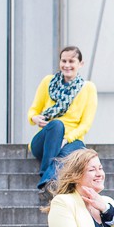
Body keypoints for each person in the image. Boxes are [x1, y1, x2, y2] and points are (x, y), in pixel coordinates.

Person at [28, 46, 97, 204]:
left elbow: (85, 124)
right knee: (57, 125)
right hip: (47, 140)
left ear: (80, 63)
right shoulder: (48, 82)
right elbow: (33, 110)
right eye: (64, 61)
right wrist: (35, 119)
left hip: (72, 140)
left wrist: (67, 139)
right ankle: (47, 172)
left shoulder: (88, 88)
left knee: (73, 151)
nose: (67, 65)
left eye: (71, 61)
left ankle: (47, 184)